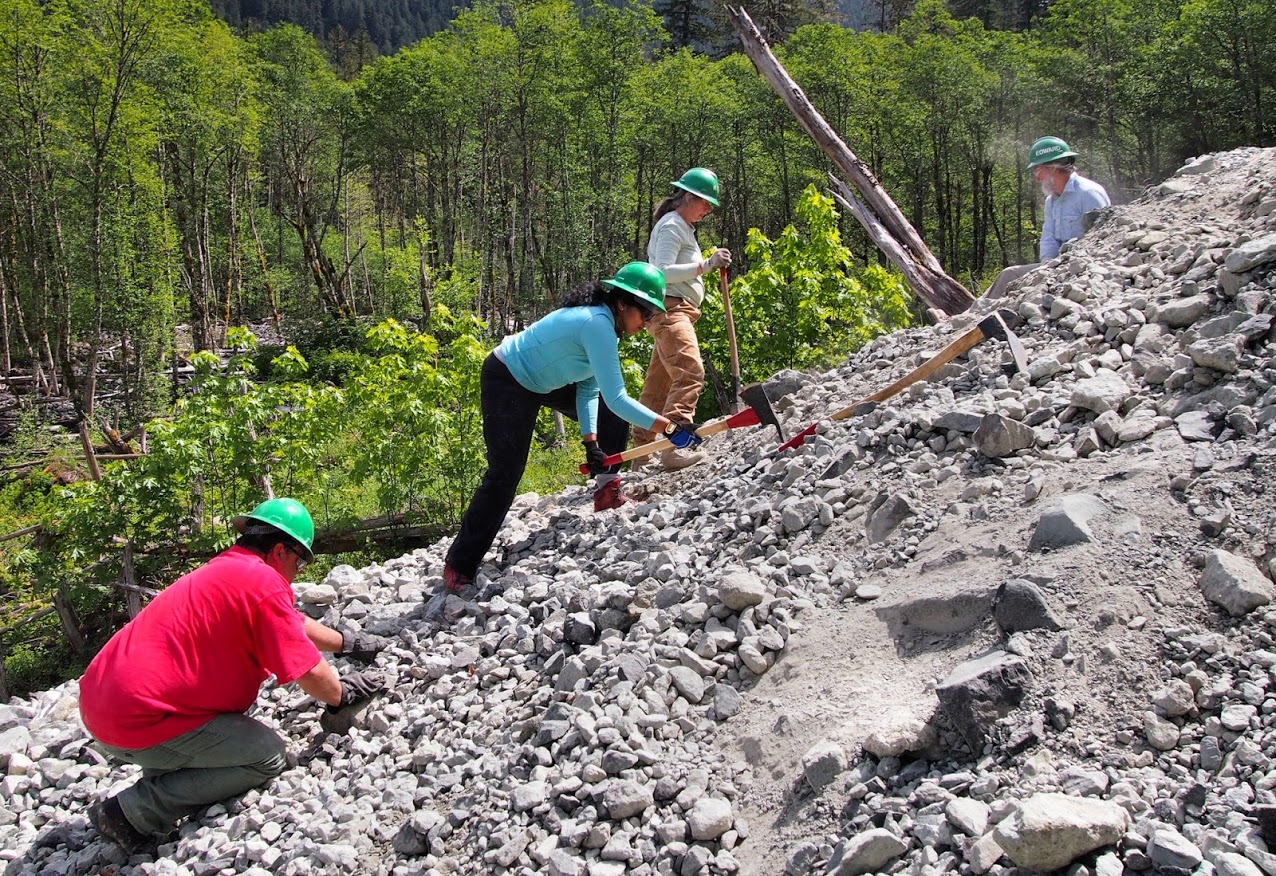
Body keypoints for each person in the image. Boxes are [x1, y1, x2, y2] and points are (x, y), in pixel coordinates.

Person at [79, 498, 388, 852]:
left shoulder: (228, 571)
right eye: (300, 560)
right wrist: (341, 695)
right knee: (266, 755)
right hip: (137, 722)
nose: (299, 570)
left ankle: (172, 772)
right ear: (279, 551)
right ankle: (132, 812)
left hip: (104, 704)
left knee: (229, 741)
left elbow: (288, 619)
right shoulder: (262, 584)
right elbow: (308, 672)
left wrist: (346, 643)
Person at [442, 262, 703, 593]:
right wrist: (669, 428)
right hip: (508, 377)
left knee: (610, 412)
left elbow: (589, 389)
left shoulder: (608, 326)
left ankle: (607, 490)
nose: (649, 321)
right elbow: (620, 397)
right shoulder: (596, 324)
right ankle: (459, 565)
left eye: (654, 312)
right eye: (647, 311)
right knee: (505, 474)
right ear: (623, 303)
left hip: (544, 381)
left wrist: (591, 442)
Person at [634, 168, 732, 471]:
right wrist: (705, 265)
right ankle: (675, 446)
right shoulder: (672, 226)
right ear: (689, 197)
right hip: (670, 311)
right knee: (690, 371)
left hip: (674, 312)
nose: (709, 210)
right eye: (706, 203)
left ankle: (642, 452)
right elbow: (661, 272)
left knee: (658, 386)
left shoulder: (680, 226)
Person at [985, 137, 1111, 299]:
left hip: (1085, 270)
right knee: (1010, 275)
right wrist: (1046, 268)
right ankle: (970, 316)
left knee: (1009, 275)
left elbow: (1103, 238)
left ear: (1053, 168)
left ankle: (972, 318)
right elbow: (1048, 238)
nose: (1036, 178)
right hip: (1057, 268)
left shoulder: (1088, 193)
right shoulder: (1051, 201)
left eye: (1038, 170)